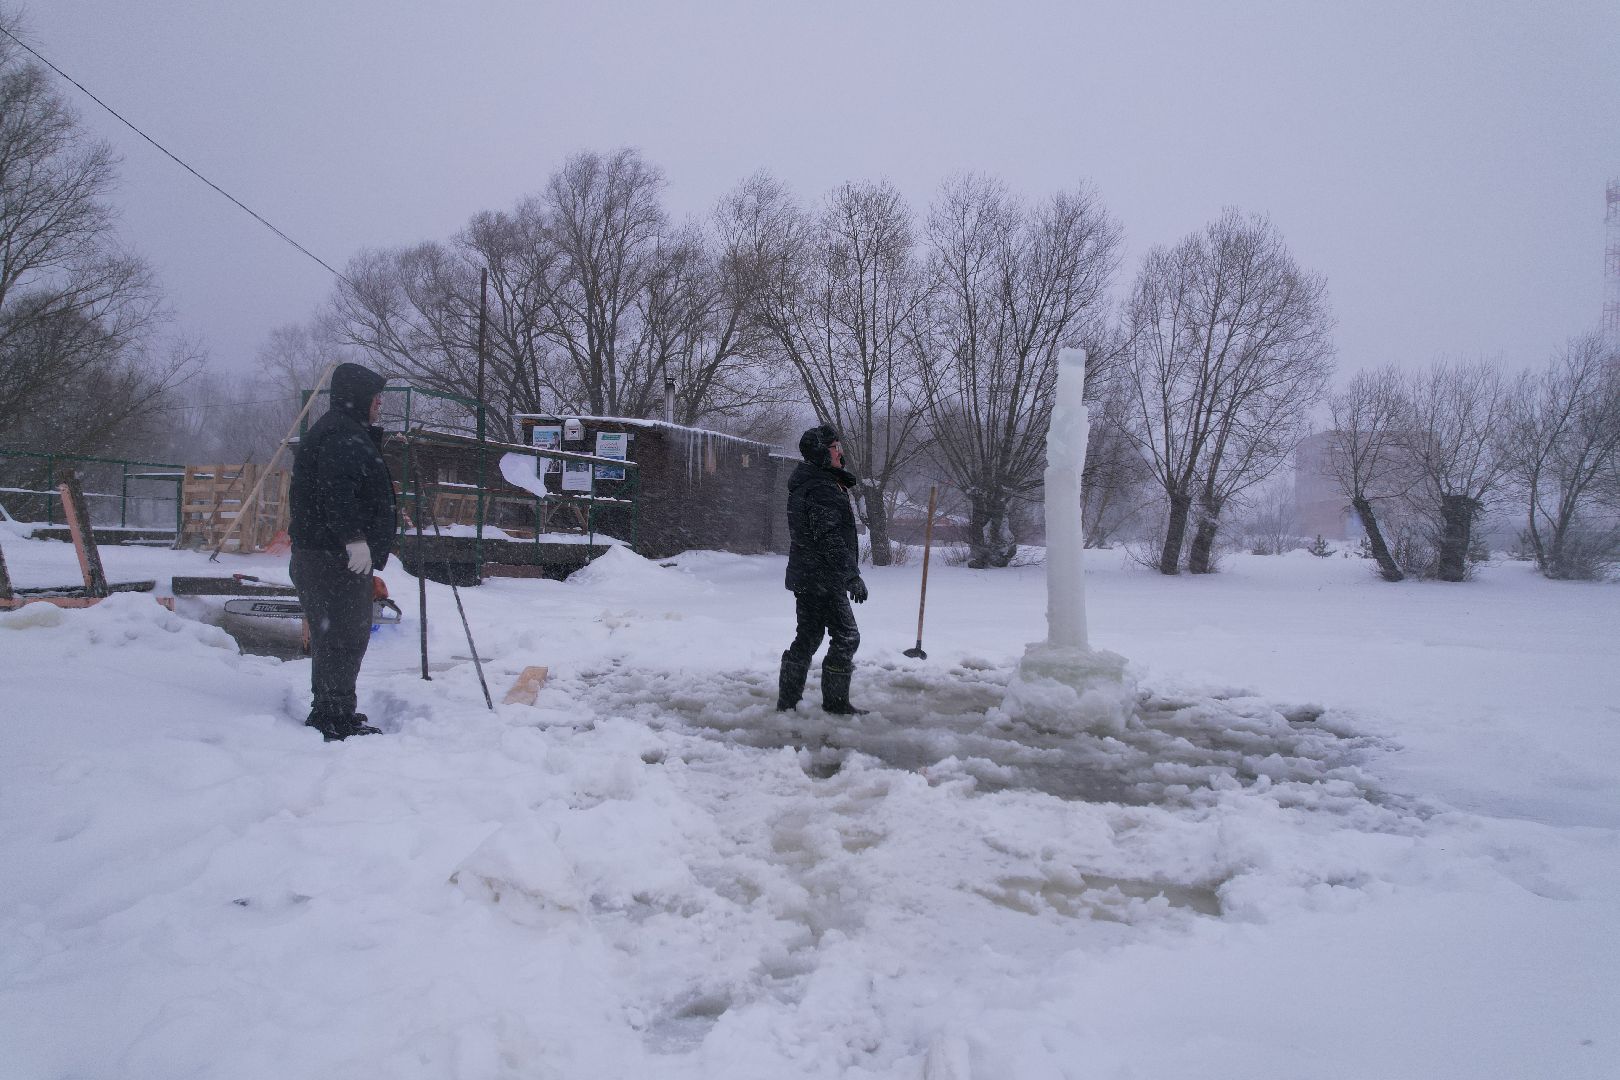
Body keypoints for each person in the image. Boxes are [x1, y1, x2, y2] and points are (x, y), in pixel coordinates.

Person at [288, 362, 397, 741]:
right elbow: (335, 493)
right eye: (376, 399)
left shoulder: (345, 432)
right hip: (331, 556)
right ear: (359, 398)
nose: (379, 406)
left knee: (340, 634)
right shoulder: (339, 436)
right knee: (342, 635)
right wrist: (354, 539)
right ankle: (331, 716)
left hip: (325, 554)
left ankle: (337, 709)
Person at [777, 423, 868, 715]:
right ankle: (836, 703)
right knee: (847, 636)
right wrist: (851, 575)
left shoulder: (813, 482)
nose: (841, 453)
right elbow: (829, 538)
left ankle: (788, 703)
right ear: (821, 453)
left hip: (809, 575)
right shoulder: (821, 488)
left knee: (809, 635)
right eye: (835, 448)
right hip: (822, 578)